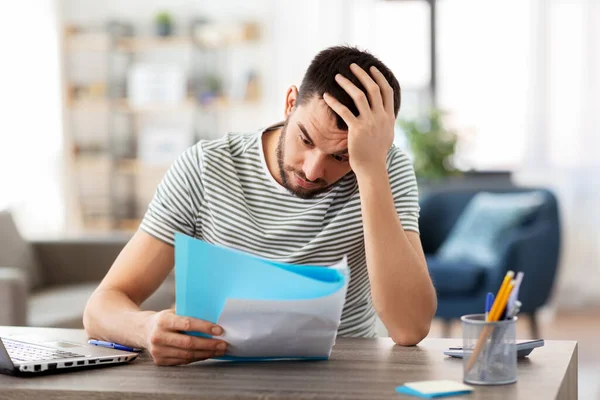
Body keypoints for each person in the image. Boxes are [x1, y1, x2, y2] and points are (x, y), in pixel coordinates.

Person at [83, 46, 437, 366]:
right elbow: (101, 308)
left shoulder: (383, 168)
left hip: (342, 372)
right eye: (305, 138)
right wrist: (144, 328)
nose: (314, 170)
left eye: (340, 156)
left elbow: (409, 328)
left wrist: (370, 168)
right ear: (289, 103)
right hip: (215, 371)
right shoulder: (206, 167)